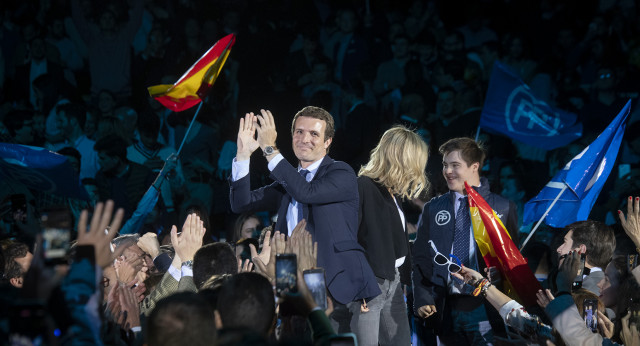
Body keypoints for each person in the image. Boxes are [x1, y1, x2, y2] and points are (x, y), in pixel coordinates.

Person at [229, 106, 380, 332]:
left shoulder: (341, 173)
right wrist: (242, 155)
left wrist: (269, 149)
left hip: (333, 280)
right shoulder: (287, 184)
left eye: (314, 134)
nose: (304, 139)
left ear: (328, 142)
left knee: (328, 338)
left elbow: (306, 192)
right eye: (299, 132)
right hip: (288, 276)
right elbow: (240, 203)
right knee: (295, 337)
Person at [412, 137, 519, 345]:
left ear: (474, 167)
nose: (448, 171)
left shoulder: (503, 208)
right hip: (445, 311)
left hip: (485, 311)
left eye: (455, 165)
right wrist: (423, 298)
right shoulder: (433, 208)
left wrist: (500, 274)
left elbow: (513, 262)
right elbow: (421, 260)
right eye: (445, 165)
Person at [354, 125, 429, 345]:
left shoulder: (392, 194)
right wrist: (361, 286)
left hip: (393, 283)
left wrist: (403, 280)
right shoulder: (364, 186)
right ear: (400, 158)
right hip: (370, 284)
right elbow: (351, 238)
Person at [555, 220, 616, 295]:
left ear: (581, 250)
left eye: (565, 242)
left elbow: (572, 306)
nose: (558, 249)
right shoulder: (585, 282)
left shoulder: (593, 288)